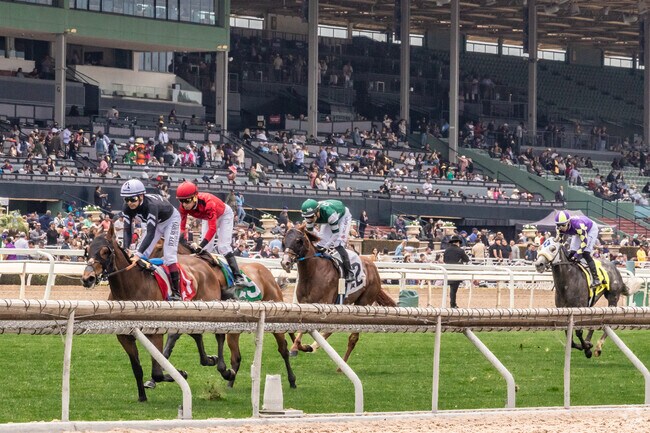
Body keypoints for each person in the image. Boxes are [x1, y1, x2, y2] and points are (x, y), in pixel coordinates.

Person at [175, 181, 246, 295]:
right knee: (206, 250)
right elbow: (182, 228)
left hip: (224, 215)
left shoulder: (208, 203)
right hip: (207, 217)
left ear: (194, 197)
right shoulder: (183, 207)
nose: (184, 205)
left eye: (187, 200)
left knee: (222, 247)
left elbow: (212, 229)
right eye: (181, 201)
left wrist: (200, 245)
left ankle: (238, 276)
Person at [120, 179, 183, 301]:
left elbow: (150, 233)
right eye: (126, 199)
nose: (129, 203)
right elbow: (127, 229)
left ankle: (177, 292)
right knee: (142, 253)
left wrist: (137, 254)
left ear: (141, 196)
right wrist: (126, 249)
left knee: (169, 256)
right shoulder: (126, 207)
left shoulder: (151, 206)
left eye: (132, 199)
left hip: (171, 220)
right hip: (156, 223)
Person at [300, 198, 355, 283]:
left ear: (317, 211)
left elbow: (335, 234)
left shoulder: (330, 214)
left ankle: (349, 272)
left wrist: (326, 247)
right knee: (321, 242)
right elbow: (310, 233)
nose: (309, 219)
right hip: (328, 218)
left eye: (311, 217)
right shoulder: (309, 215)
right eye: (307, 217)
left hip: (343, 217)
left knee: (338, 243)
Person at [554, 210, 601, 288]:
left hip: (590, 229)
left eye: (563, 225)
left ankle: (596, 278)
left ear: (568, 222)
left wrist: (577, 255)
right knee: (572, 253)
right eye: (558, 225)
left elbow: (584, 242)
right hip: (576, 232)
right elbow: (560, 243)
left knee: (585, 253)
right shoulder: (558, 228)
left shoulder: (578, 225)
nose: (560, 228)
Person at [443, 235, 470, 308]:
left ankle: (451, 303)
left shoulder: (447, 250)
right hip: (456, 271)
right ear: (458, 242)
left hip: (447, 271)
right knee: (454, 289)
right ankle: (453, 304)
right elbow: (467, 259)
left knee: (451, 288)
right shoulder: (460, 250)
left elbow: (444, 260)